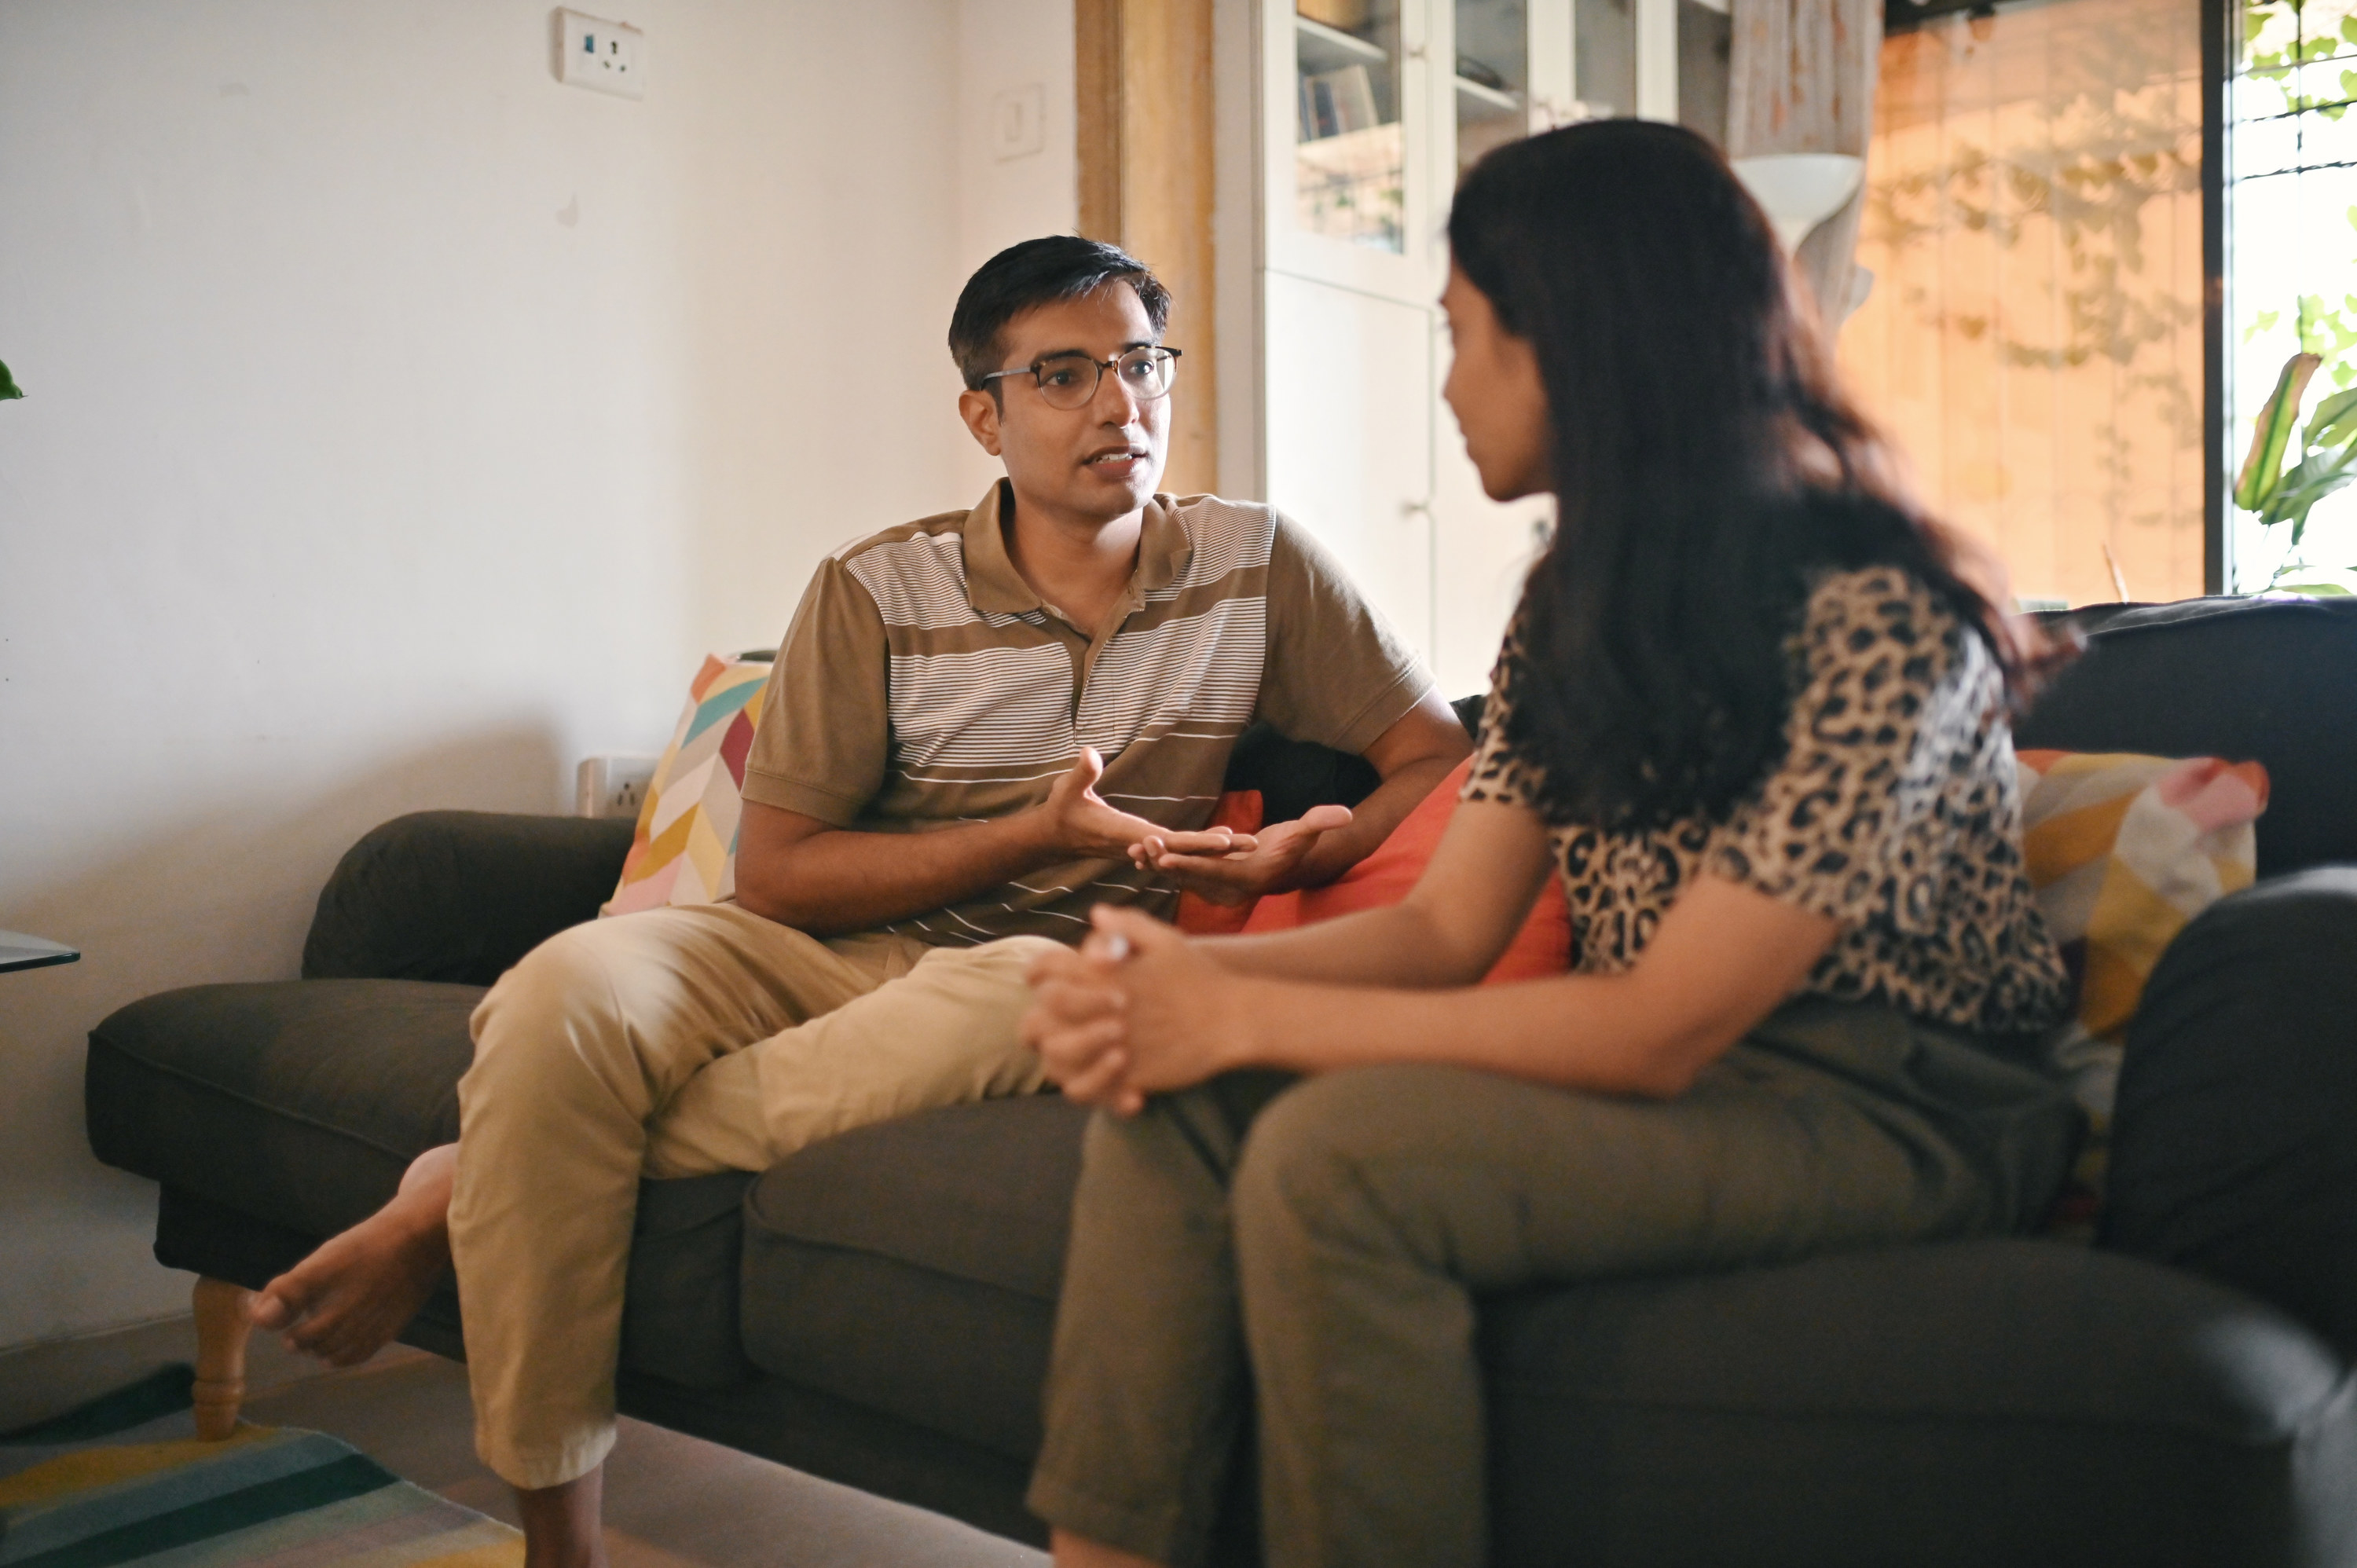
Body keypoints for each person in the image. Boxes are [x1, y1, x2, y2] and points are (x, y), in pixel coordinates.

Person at [246, 235, 1472, 1568]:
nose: (1121, 406)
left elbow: (1435, 757)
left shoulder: (1258, 563)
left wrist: (1323, 843)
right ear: (984, 417)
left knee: (1009, 993)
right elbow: (779, 874)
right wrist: (1028, 832)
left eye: (1141, 363)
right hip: (811, 945)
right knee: (557, 997)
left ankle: (464, 1177)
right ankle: (564, 1543)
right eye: (1064, 375)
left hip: (1046, 970)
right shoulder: (874, 586)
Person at [1021, 121, 2081, 1568]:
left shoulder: (1876, 614)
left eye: (1463, 336)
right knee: (1177, 1100)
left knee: (1337, 1158)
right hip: (1701, 1081)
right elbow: (1446, 933)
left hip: (1897, 1105)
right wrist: (1181, 1010)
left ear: (1582, 338)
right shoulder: (1576, 611)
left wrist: (1233, 1003)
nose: (1447, 385)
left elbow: (1659, 1028)